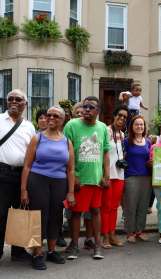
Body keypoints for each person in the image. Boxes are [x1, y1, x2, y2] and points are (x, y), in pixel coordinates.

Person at [20, 106, 75, 270]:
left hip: (59, 182)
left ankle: (51, 251)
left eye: (55, 116)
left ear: (63, 120)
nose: (51, 118)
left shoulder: (67, 141)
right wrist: (24, 189)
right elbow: (27, 166)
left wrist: (71, 192)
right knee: (38, 217)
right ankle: (37, 253)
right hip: (38, 180)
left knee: (55, 216)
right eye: (48, 115)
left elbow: (70, 169)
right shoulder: (37, 138)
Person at [63, 96, 110, 260]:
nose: (87, 110)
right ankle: (75, 246)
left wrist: (106, 176)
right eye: (85, 107)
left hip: (96, 179)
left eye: (91, 107)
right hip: (78, 180)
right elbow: (66, 154)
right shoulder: (71, 125)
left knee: (96, 211)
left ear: (98, 111)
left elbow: (105, 153)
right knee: (76, 213)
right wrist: (73, 175)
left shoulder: (103, 127)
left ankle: (97, 246)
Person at [0, 89, 35, 262]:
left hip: (22, 175)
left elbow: (32, 152)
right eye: (11, 99)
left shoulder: (29, 126)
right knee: (1, 215)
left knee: (21, 213)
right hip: (2, 173)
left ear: (25, 104)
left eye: (18, 99)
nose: (14, 101)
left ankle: (18, 252)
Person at [100, 106, 128, 248]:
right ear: (114, 116)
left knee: (114, 207)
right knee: (105, 206)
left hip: (119, 174)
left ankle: (112, 234)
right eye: (120, 115)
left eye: (124, 117)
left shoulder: (122, 135)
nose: (122, 119)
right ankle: (104, 236)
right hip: (108, 174)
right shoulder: (105, 130)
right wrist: (103, 175)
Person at [123, 115, 152, 243]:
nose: (139, 127)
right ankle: (130, 232)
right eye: (137, 124)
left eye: (141, 124)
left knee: (143, 206)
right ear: (132, 127)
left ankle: (140, 230)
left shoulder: (149, 141)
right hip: (131, 177)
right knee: (131, 206)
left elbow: (151, 158)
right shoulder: (126, 141)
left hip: (146, 177)